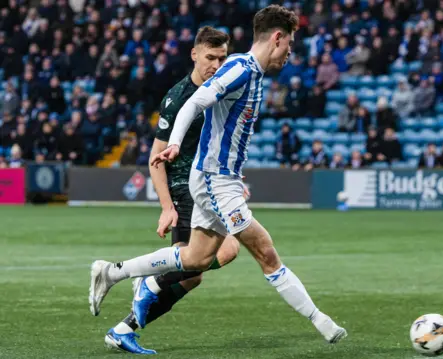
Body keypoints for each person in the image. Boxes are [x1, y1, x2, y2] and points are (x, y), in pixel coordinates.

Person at [89, 5, 347, 346]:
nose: (290, 53)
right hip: (213, 179)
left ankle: (112, 272)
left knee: (197, 259)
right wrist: (177, 144)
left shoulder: (252, 73)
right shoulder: (240, 68)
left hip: (221, 179)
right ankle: (322, 322)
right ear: (277, 38)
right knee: (265, 253)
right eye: (290, 44)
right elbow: (193, 103)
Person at [103, 26, 244, 354]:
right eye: (210, 57)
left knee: (191, 274)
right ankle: (146, 279)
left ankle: (124, 327)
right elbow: (156, 158)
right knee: (222, 253)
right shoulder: (179, 97)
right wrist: (167, 207)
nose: (216, 64)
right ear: (194, 54)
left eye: (222, 58)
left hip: (209, 186)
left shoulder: (222, 91)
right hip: (186, 187)